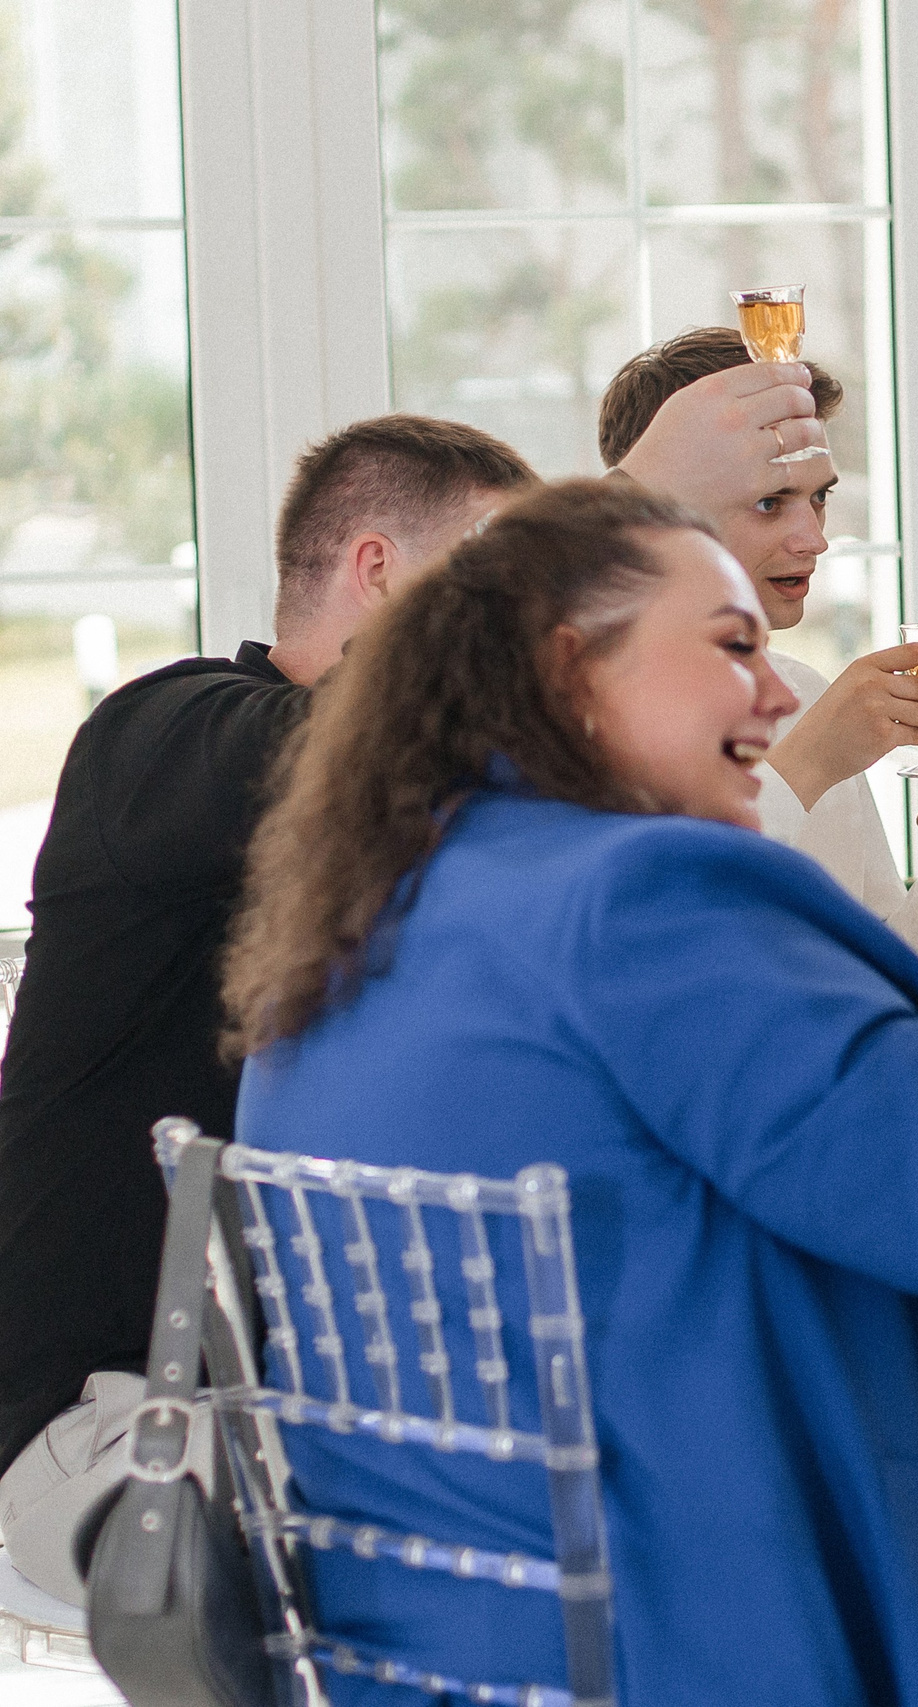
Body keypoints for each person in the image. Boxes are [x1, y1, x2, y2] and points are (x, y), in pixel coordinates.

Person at [222, 480, 918, 1707]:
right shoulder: (639, 897)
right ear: (570, 668)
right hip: (741, 1635)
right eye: (731, 648)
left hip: (446, 1656)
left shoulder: (369, 919)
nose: (778, 693)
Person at [0, 416, 537, 1605]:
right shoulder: (158, 736)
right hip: (104, 1426)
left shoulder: (424, 824)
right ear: (380, 569)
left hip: (278, 1397)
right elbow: (353, 753)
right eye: (500, 578)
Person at [600, 328, 918, 993]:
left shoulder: (807, 693)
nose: (815, 538)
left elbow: (888, 998)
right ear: (660, 509)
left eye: (819, 497)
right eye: (770, 502)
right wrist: (806, 764)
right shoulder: (577, 725)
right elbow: (646, 967)